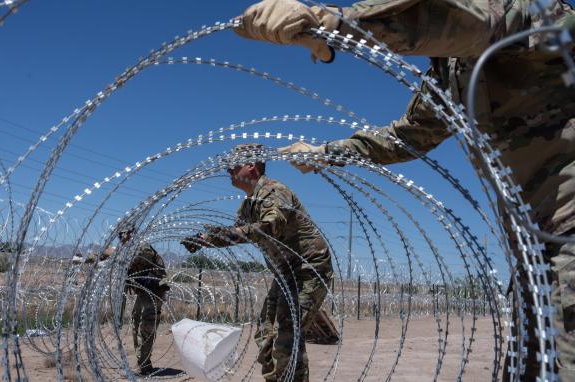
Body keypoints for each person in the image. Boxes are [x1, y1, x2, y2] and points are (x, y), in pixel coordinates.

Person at [234, 0, 575, 379]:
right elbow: (406, 137)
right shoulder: (449, 75)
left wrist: (333, 24)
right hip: (534, 247)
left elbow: (466, 24)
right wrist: (326, 153)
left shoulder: (522, 12)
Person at [180, 143, 333, 382]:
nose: (228, 170)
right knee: (265, 333)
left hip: (307, 269)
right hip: (285, 274)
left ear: (251, 166)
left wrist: (220, 236)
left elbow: (269, 227)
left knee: (286, 333)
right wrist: (205, 240)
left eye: (234, 165)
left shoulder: (274, 192)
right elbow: (237, 232)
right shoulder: (247, 205)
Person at [90, 230, 169, 375]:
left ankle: (145, 365)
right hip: (143, 292)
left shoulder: (142, 247)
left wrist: (109, 255)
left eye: (123, 234)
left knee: (146, 327)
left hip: (153, 292)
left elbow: (131, 258)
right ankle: (142, 363)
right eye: (119, 235)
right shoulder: (128, 249)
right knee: (136, 323)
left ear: (132, 233)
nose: (121, 237)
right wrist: (95, 258)